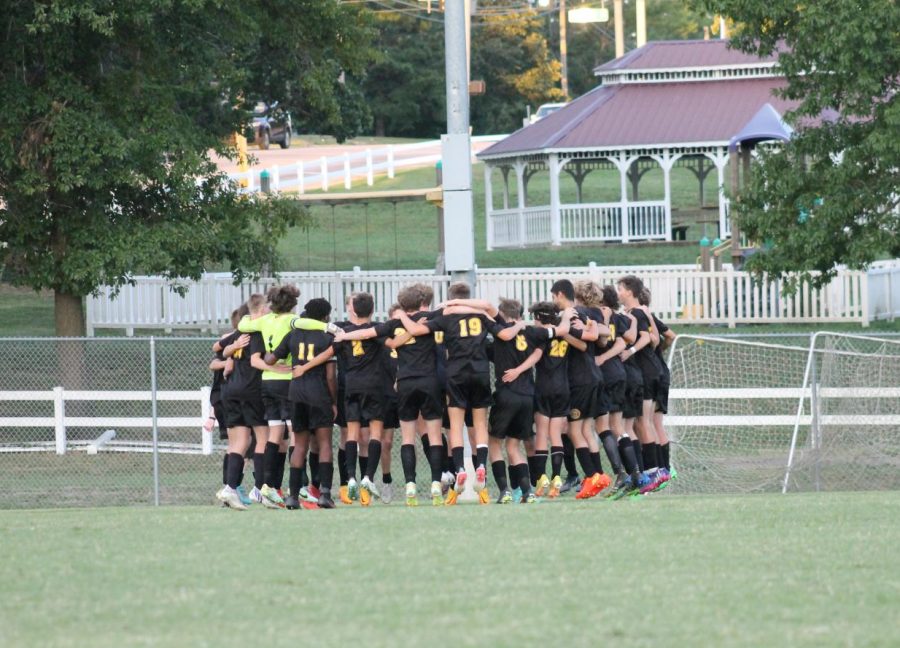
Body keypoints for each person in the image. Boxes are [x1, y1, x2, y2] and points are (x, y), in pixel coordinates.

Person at [396, 282, 507, 505]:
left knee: (454, 427)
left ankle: (458, 469)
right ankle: (481, 467)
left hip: (454, 374)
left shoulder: (445, 315)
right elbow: (502, 329)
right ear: (469, 296)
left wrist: (400, 316)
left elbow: (417, 330)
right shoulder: (482, 315)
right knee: (480, 426)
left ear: (450, 297)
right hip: (480, 372)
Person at [268, 297, 338, 509]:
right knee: (325, 443)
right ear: (325, 316)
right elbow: (330, 376)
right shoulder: (327, 337)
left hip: (296, 393)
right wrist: (333, 402)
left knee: (299, 445)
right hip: (319, 394)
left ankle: (293, 496)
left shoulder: (294, 334)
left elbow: (271, 359)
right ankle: (325, 494)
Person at [237, 285, 299, 508]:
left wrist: (249, 315)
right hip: (288, 381)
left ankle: (267, 486)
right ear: (291, 304)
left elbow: (243, 323)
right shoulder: (292, 321)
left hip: (267, 382)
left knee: (274, 434)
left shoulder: (264, 321)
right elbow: (310, 325)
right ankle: (296, 487)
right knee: (295, 434)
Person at [549, 279, 610, 500]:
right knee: (585, 430)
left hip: (580, 379)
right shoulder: (581, 314)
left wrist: (559, 331)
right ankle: (598, 476)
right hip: (591, 376)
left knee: (573, 431)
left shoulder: (572, 315)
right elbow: (594, 338)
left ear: (559, 295)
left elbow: (585, 342)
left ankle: (592, 475)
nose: (553, 301)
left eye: (553, 296)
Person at [331, 292, 390, 506]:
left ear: (353, 310)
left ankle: (351, 479)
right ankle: (367, 477)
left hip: (351, 386)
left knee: (352, 434)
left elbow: (329, 349)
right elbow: (392, 342)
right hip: (374, 386)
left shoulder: (342, 331)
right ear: (373, 310)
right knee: (375, 433)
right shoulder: (379, 329)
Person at [486, 298, 544, 504]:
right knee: (513, 445)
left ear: (501, 314)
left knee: (494, 442)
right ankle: (528, 492)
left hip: (506, 394)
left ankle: (505, 491)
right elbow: (539, 351)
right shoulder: (530, 333)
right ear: (519, 315)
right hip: (527, 396)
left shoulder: (499, 334)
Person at [215, 294, 269, 510]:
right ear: (261, 309)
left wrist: (231, 349)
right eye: (267, 308)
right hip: (251, 389)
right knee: (263, 437)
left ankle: (230, 488)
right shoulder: (258, 333)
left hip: (230, 390)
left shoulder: (238, 333)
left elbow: (218, 348)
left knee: (239, 442)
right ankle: (262, 489)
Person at [618, 275, 666, 496]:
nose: (618, 292)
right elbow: (656, 338)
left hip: (645, 371)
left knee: (643, 423)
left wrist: (631, 351)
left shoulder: (637, 312)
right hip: (650, 369)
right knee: (642, 423)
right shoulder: (637, 313)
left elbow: (649, 339)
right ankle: (657, 471)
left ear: (629, 291)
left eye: (620, 288)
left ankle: (654, 472)